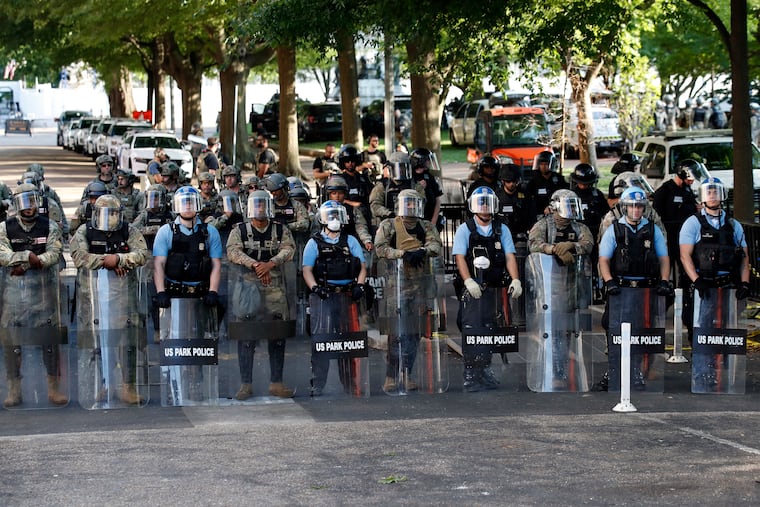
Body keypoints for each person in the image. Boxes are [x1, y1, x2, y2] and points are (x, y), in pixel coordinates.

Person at [70, 194, 149, 406]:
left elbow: (142, 254)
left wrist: (122, 258)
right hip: (93, 296)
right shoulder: (85, 231)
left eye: (113, 214)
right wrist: (110, 262)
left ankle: (128, 387)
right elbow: (79, 256)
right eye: (105, 214)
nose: (110, 218)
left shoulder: (128, 230)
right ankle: (105, 384)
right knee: (99, 342)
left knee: (127, 341)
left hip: (123, 297)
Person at [597, 187, 671, 391]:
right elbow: (604, 259)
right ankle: (614, 372)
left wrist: (664, 280)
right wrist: (609, 281)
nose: (636, 210)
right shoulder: (614, 229)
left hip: (646, 289)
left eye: (639, 206)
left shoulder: (652, 229)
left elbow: (664, 257)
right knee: (616, 332)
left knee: (641, 332)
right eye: (631, 206)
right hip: (620, 289)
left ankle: (636, 371)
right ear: (625, 207)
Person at [679, 177, 750, 390]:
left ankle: (726, 376)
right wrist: (697, 280)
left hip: (727, 286)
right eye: (708, 192)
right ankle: (703, 374)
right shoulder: (693, 223)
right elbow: (685, 256)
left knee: (728, 333)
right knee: (703, 331)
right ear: (702, 196)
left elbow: (744, 257)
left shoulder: (732, 224)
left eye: (716, 191)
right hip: (704, 287)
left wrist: (744, 283)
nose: (712, 195)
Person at [0, 184, 67, 407]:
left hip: (44, 293)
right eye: (24, 202)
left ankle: (53, 388)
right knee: (12, 343)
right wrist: (27, 256)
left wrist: (29, 264)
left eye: (32, 201)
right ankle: (14, 389)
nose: (29, 208)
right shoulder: (5, 228)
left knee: (49, 342)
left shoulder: (49, 226)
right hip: (13, 296)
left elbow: (54, 253)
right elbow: (3, 254)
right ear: (16, 205)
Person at [226, 190, 297, 399]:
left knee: (277, 334)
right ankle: (245, 384)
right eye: (256, 205)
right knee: (246, 336)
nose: (259, 209)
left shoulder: (280, 229)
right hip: (248, 287)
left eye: (263, 204)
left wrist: (271, 264)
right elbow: (232, 252)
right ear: (249, 208)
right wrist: (256, 265)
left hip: (275, 287)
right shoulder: (239, 230)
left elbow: (289, 249)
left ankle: (276, 382)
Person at [452, 186, 522, 392]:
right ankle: (472, 374)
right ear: (474, 206)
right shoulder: (465, 229)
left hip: (495, 289)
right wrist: (468, 281)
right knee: (474, 330)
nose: (484, 208)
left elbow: (509, 255)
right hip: (474, 289)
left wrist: (515, 280)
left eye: (487, 203)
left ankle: (485, 371)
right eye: (480, 203)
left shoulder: (502, 229)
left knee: (492, 330)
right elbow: (459, 257)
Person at [374, 189, 443, 393]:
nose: (410, 207)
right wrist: (403, 254)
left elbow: (436, 246)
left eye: (414, 203)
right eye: (407, 203)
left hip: (421, 287)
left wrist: (422, 251)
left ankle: (407, 373)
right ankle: (391, 375)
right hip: (397, 288)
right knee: (396, 333)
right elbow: (380, 249)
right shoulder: (388, 225)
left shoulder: (425, 226)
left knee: (414, 332)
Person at [527, 189, 594, 389]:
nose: (571, 210)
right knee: (553, 332)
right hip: (550, 285)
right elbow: (533, 244)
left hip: (573, 285)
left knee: (567, 332)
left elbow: (588, 243)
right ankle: (555, 372)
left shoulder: (578, 226)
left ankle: (565, 370)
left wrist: (572, 246)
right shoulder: (544, 225)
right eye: (568, 205)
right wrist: (552, 249)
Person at [302, 200, 368, 396]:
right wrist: (315, 288)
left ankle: (350, 383)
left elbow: (362, 267)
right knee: (322, 341)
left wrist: (360, 285)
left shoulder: (351, 241)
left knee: (347, 342)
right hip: (324, 297)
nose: (334, 220)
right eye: (330, 216)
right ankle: (318, 384)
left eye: (337, 215)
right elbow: (307, 270)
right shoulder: (314, 242)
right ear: (323, 219)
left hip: (347, 296)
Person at [653, 159, 699, 287]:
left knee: (686, 268)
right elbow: (657, 215)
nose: (692, 181)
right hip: (669, 236)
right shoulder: (665, 191)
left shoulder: (687, 190)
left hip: (685, 236)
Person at [369, 151, 421, 227]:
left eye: (403, 167)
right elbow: (375, 205)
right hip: (388, 224)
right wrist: (389, 213)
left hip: (410, 223)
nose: (400, 170)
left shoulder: (415, 185)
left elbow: (421, 202)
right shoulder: (383, 185)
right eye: (398, 167)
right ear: (391, 168)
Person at [495, 163, 537, 242]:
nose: (512, 184)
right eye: (508, 181)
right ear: (503, 181)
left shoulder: (525, 195)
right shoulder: (496, 196)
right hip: (501, 235)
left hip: (522, 235)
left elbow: (532, 216)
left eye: (514, 181)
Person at [337, 144, 373, 226]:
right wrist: (353, 204)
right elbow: (336, 199)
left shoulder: (363, 178)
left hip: (365, 214)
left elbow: (372, 196)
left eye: (352, 160)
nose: (350, 163)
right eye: (347, 161)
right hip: (346, 215)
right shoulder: (339, 180)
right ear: (343, 162)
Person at [524, 151, 568, 216]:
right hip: (539, 215)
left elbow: (565, 196)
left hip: (557, 213)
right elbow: (527, 198)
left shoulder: (559, 179)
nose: (543, 167)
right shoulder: (534, 181)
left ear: (552, 164)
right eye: (541, 164)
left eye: (546, 164)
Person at [409, 147, 444, 230]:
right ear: (420, 161)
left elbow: (437, 200)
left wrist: (433, 221)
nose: (429, 162)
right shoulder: (409, 177)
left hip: (429, 218)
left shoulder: (430, 177)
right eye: (427, 160)